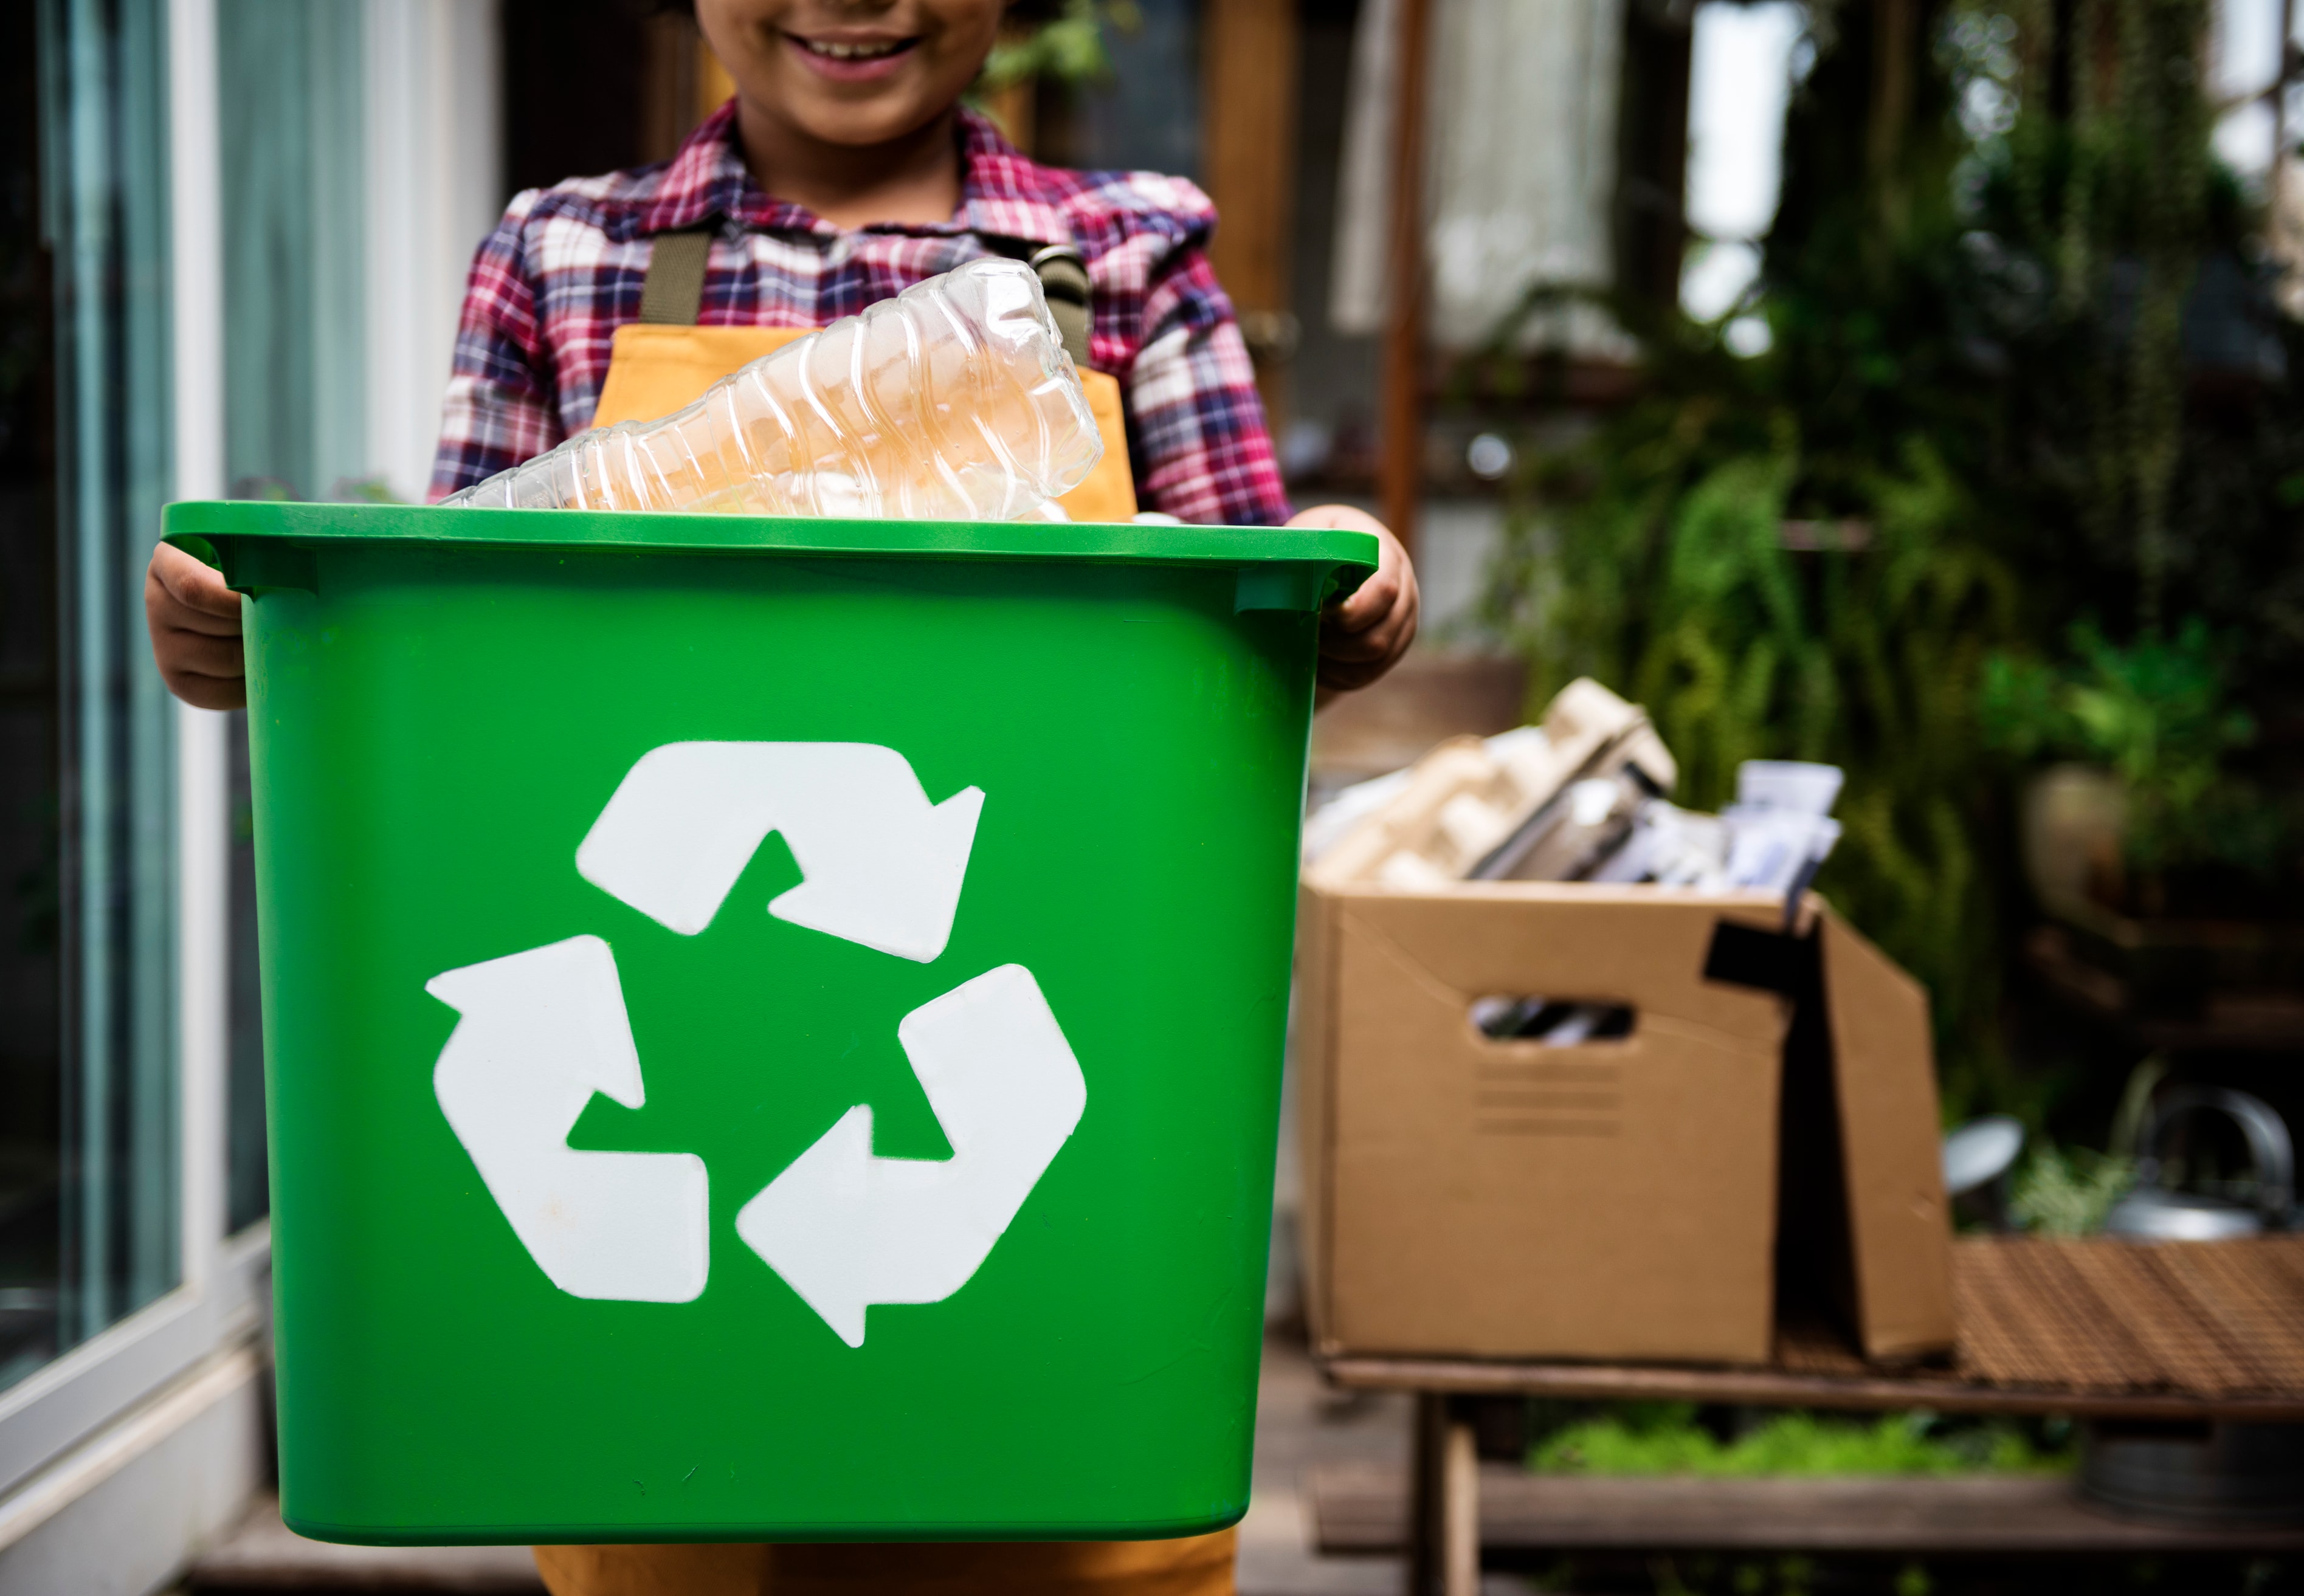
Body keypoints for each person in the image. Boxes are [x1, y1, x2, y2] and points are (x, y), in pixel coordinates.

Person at [143, 2, 1417, 1591]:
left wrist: (1353, 574)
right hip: (661, 1326)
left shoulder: (1130, 261)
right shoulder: (567, 257)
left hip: (1052, 1300)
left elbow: (1251, 644)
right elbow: (458, 678)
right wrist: (240, 645)